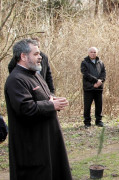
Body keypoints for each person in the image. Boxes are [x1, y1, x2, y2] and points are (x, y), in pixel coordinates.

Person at [4, 38, 72, 179]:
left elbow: (42, 97)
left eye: (39, 53)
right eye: (35, 54)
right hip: (31, 147)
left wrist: (52, 99)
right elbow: (25, 108)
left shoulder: (35, 74)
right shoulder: (16, 79)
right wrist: (51, 105)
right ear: (23, 56)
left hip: (46, 140)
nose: (40, 57)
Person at [81, 47, 106, 128]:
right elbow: (86, 74)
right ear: (88, 53)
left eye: (94, 52)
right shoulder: (84, 62)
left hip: (99, 88)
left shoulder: (100, 62)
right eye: (91, 52)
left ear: (97, 53)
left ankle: (99, 121)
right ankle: (87, 122)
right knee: (87, 106)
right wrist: (95, 81)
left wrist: (100, 81)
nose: (93, 53)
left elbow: (103, 73)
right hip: (89, 88)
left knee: (99, 105)